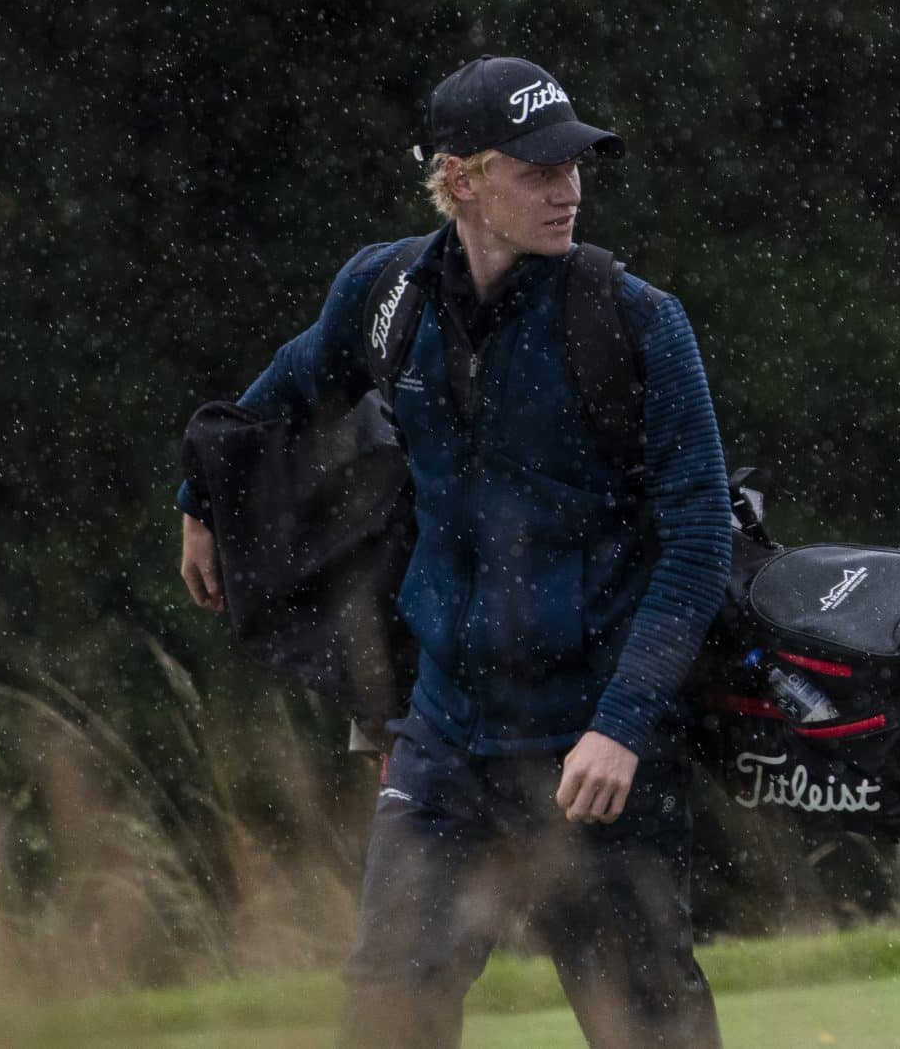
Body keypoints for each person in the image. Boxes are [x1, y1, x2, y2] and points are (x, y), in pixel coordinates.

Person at [177, 56, 732, 1049]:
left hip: (590, 756)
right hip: (440, 745)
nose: (569, 190)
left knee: (648, 1029)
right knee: (388, 1016)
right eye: (539, 170)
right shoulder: (387, 292)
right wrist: (200, 498)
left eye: (576, 166)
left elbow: (698, 538)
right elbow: (290, 389)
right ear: (464, 179)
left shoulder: (637, 321)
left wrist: (623, 724)